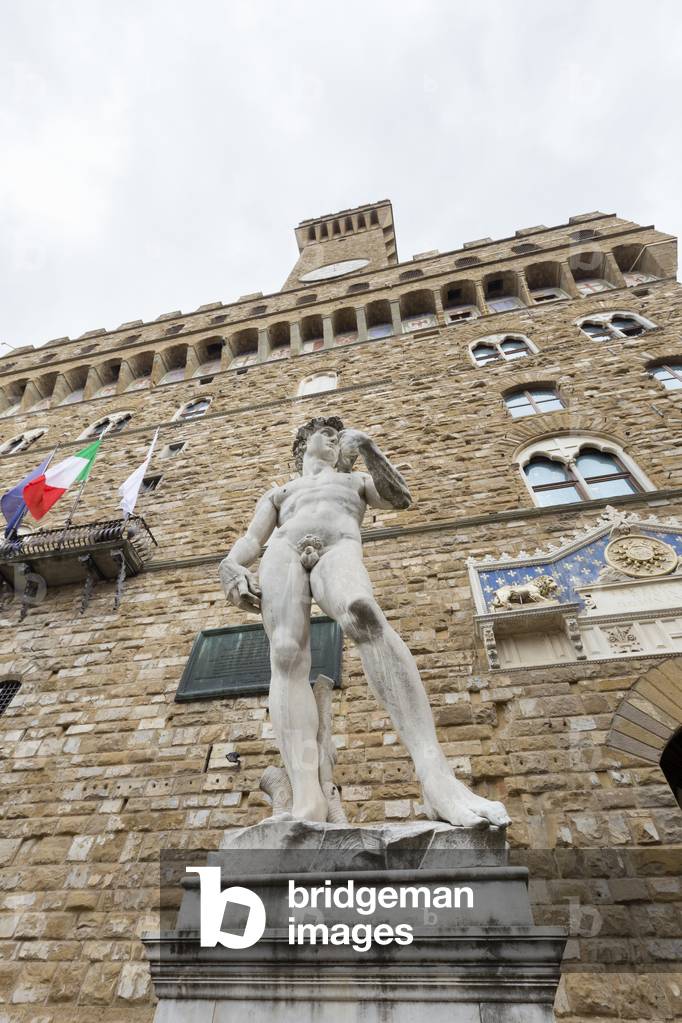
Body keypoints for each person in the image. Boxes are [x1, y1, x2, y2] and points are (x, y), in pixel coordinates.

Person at [220, 416, 509, 829]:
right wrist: (229, 565)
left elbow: (399, 497)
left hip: (338, 545)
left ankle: (436, 779)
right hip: (282, 553)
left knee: (363, 613)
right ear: (304, 444)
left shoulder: (354, 481)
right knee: (285, 653)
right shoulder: (281, 492)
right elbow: (251, 540)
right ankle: (307, 797)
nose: (335, 440)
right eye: (327, 434)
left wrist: (370, 449)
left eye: (340, 436)